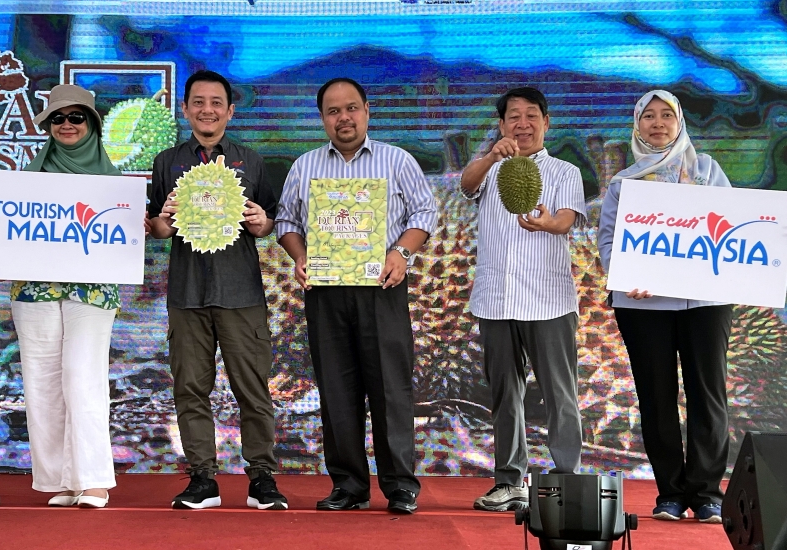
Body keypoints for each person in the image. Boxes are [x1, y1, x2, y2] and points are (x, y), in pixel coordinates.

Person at [276, 78, 438, 515]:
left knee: (390, 388)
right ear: (323, 118)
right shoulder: (305, 166)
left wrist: (401, 251)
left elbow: (425, 211)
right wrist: (300, 256)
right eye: (333, 111)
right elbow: (286, 221)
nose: (343, 118)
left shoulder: (397, 161)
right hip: (326, 292)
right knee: (337, 388)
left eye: (351, 108)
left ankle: (400, 485)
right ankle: (348, 485)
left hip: (381, 289)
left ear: (367, 110)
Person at [147, 70, 287, 510]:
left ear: (230, 110)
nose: (207, 110)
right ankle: (202, 478)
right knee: (190, 386)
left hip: (241, 292)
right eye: (198, 102)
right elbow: (155, 227)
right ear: (185, 108)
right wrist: (162, 223)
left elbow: (270, 222)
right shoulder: (168, 162)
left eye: (216, 102)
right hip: (187, 294)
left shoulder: (252, 160)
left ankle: (262, 478)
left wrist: (262, 223)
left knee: (253, 388)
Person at [597, 90, 731, 524]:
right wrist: (624, 274)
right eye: (648, 116)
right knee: (656, 397)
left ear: (680, 122)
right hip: (644, 304)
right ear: (637, 126)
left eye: (666, 115)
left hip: (706, 301)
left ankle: (708, 493)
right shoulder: (624, 182)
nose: (657, 123)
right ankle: (670, 493)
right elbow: (607, 240)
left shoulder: (707, 170)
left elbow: (730, 226)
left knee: (708, 395)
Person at [461, 87, 585, 512]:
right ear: (501, 125)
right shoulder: (491, 170)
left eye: (532, 115)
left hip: (549, 299)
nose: (523, 124)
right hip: (496, 299)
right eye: (513, 116)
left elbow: (567, 219)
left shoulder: (565, 172)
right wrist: (492, 157)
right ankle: (510, 480)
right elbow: (466, 184)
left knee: (560, 394)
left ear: (546, 123)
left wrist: (550, 223)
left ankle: (567, 480)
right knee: (504, 395)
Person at [7, 84, 123, 508]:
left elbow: (123, 232)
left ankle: (92, 480)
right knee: (41, 382)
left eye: (76, 117)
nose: (67, 124)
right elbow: (9, 228)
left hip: (92, 289)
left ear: (91, 123)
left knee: (82, 377)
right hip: (33, 289)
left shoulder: (113, 181)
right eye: (58, 118)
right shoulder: (27, 175)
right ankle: (61, 480)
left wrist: (136, 230)